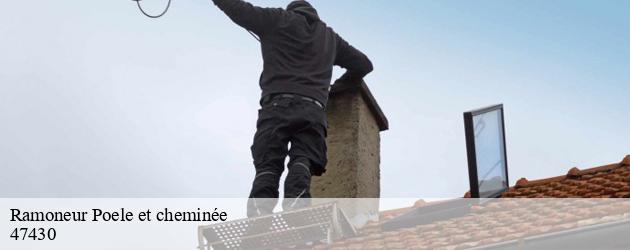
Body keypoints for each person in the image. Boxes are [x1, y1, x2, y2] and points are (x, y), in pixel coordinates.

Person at [212, 0, 373, 217]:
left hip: (277, 105)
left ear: (292, 10)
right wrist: (340, 85)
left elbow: (237, 9)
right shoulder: (329, 37)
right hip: (313, 109)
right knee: (303, 159)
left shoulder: (277, 19)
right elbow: (364, 64)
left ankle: (260, 211)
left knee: (268, 162)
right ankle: (296, 205)